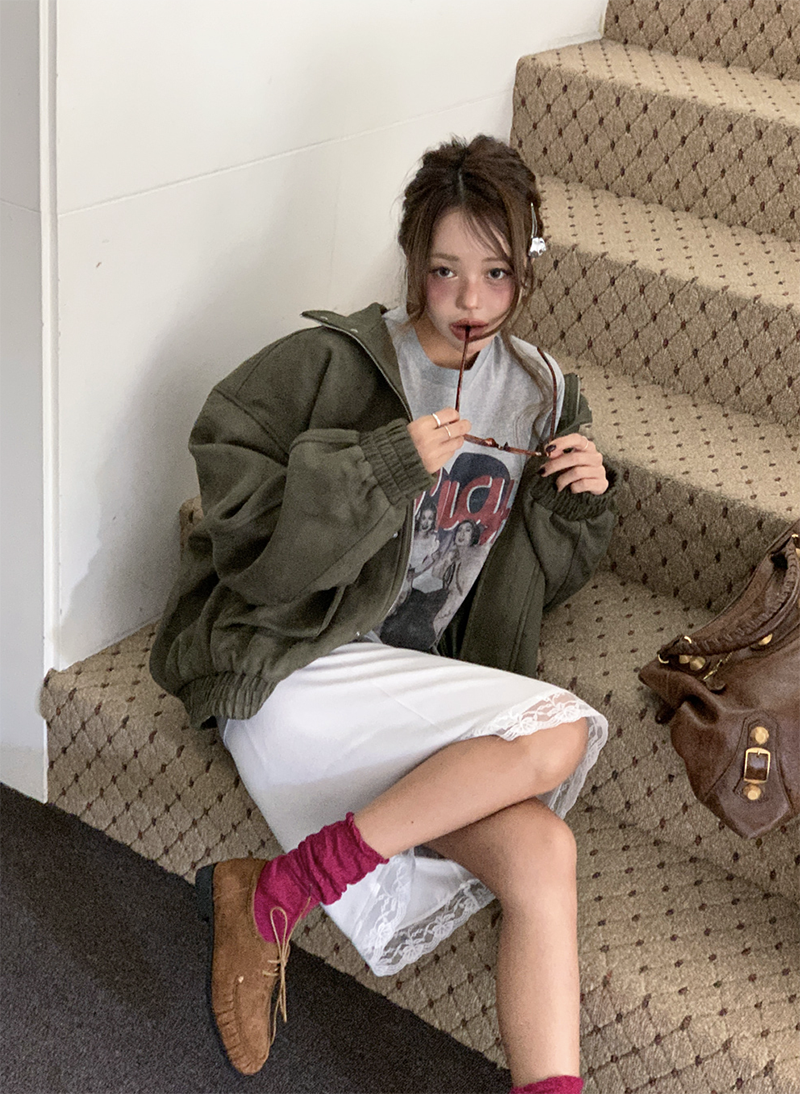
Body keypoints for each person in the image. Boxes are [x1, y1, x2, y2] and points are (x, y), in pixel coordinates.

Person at [150, 134, 616, 1094]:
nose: (471, 299)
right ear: (413, 263)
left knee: (544, 851)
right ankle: (285, 889)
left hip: (419, 694)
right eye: (445, 271)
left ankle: (275, 887)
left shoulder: (542, 395)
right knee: (561, 731)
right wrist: (381, 465)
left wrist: (577, 504)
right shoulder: (336, 363)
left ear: (528, 268)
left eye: (496, 272)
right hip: (300, 665)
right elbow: (242, 534)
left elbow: (534, 579)